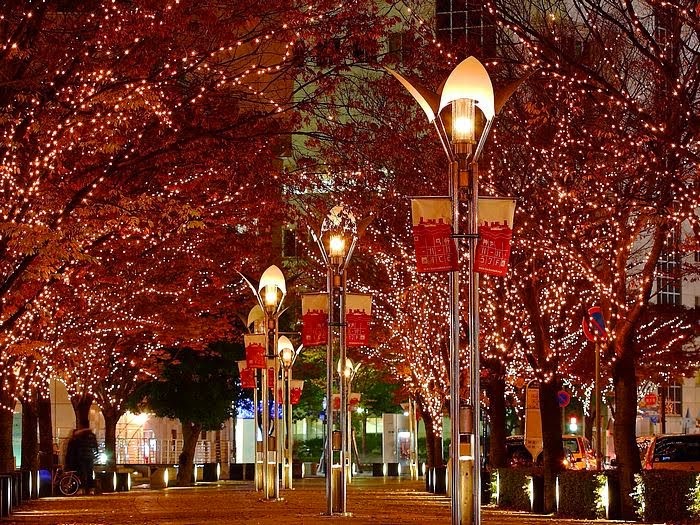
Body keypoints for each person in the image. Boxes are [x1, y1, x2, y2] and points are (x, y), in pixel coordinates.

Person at [65, 427, 99, 494]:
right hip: (90, 457)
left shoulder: (78, 436)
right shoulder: (92, 436)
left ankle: (81, 489)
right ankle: (91, 489)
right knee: (89, 473)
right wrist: (95, 455)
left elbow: (75, 448)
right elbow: (95, 446)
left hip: (81, 457)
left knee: (82, 473)